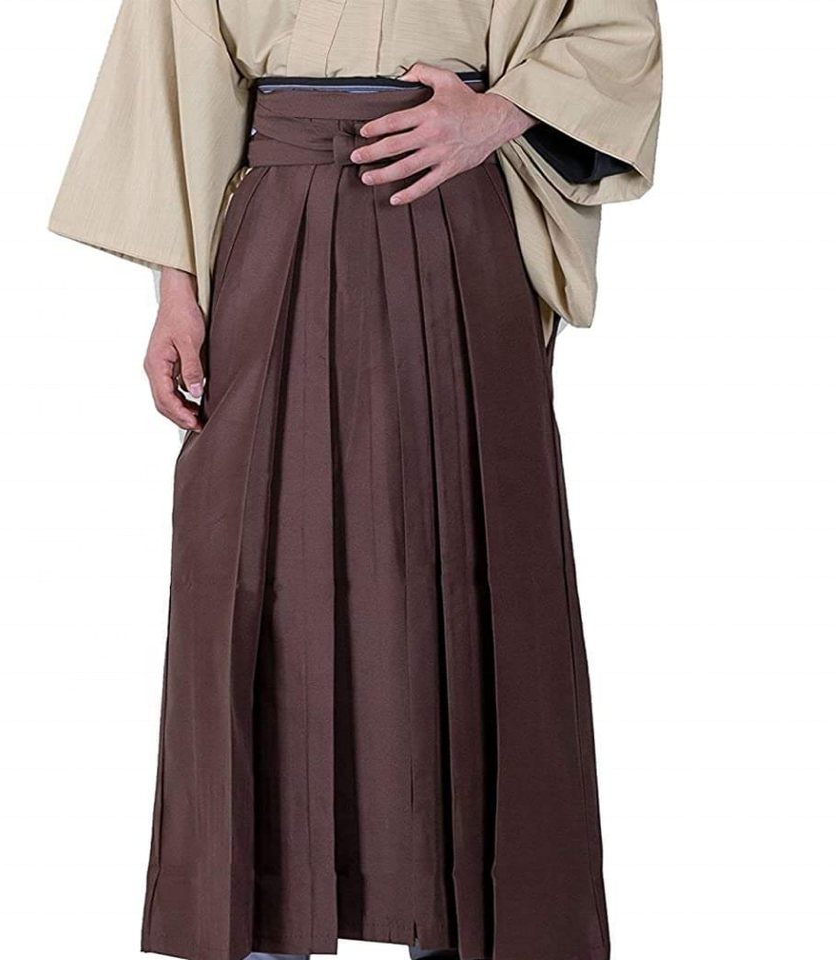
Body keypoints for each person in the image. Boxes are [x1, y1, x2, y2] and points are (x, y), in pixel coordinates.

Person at [49, 3, 663, 960]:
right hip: (272, 226)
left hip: (455, 210)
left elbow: (613, 30)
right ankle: (258, 923)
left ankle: (467, 924)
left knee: (467, 563)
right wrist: (174, 291)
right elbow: (173, 61)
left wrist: (494, 116)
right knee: (255, 570)